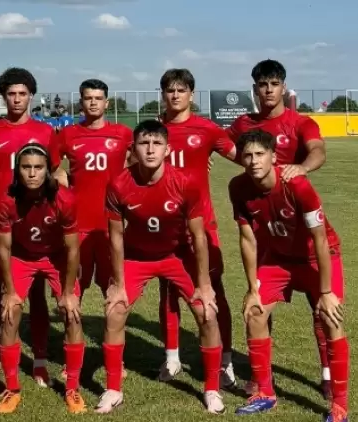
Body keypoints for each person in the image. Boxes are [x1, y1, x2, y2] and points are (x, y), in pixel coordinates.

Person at [95, 119, 224, 415]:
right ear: (133, 149)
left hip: (176, 256)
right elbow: (116, 238)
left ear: (168, 149)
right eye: (144, 143)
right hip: (137, 257)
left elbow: (198, 237)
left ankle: (212, 389)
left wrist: (204, 285)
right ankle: (113, 389)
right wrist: (117, 282)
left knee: (207, 312)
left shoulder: (186, 182)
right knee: (115, 311)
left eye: (157, 144)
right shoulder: (118, 184)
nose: (150, 149)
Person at [228, 129, 348, 422]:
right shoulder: (238, 187)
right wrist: (252, 288)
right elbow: (247, 239)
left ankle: (339, 406)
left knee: (330, 318)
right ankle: (266, 394)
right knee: (255, 313)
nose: (254, 161)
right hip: (278, 260)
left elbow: (320, 238)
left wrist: (326, 292)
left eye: (259, 154)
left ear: (273, 156)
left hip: (316, 258)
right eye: (247, 155)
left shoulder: (297, 185)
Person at [226, 59, 330, 397]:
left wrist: (301, 167)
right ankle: (261, 377)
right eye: (261, 84)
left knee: (320, 304)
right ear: (254, 88)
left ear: (283, 86)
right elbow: (222, 143)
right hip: (265, 231)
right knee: (260, 305)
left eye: (273, 84)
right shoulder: (243, 124)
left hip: (300, 226)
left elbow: (318, 152)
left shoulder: (300, 122)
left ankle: (327, 373)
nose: (268, 90)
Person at [0, 67, 60, 389]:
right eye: (11, 94)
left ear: (30, 95)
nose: (17, 99)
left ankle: (40, 363)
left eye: (22, 93)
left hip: (36, 227)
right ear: (3, 96)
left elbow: (59, 175)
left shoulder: (46, 133)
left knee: (37, 297)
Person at [157, 68, 238, 386]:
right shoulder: (155, 130)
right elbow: (133, 163)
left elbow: (243, 158)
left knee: (214, 292)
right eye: (169, 90)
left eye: (181, 90)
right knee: (168, 294)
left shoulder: (206, 130)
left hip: (201, 225)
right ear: (162, 94)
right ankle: (172, 359)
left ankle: (226, 363)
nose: (175, 95)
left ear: (192, 93)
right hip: (162, 226)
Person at [0, 143, 86, 414]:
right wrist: (10, 292)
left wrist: (67, 292)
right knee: (9, 312)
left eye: (38, 167)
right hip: (22, 256)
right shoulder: (7, 201)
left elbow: (72, 248)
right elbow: (4, 249)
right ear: (17, 170)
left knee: (72, 313)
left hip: (56, 256)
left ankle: (72, 389)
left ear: (48, 171)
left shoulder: (64, 199)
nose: (32, 173)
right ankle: (12, 388)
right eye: (26, 167)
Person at [57, 79, 132, 300]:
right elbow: (49, 164)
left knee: (112, 285)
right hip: (78, 222)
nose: (93, 103)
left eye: (98, 99)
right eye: (88, 98)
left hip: (112, 222)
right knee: (74, 285)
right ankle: (73, 334)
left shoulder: (123, 133)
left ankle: (112, 334)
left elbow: (141, 162)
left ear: (106, 103)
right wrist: (61, 176)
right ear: (81, 102)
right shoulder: (68, 134)